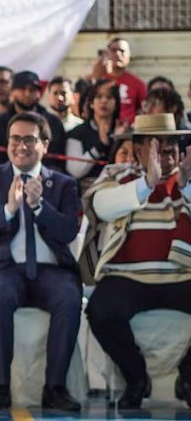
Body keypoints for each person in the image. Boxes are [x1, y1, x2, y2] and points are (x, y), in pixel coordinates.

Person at [0, 112, 82, 412]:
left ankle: (55, 388)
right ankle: (0, 387)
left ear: (44, 144)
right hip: (0, 268)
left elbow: (69, 231)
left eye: (30, 139)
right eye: (16, 138)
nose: (21, 146)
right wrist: (8, 209)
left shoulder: (64, 183)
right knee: (0, 296)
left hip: (50, 271)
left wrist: (39, 207)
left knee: (69, 296)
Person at [81, 113, 191, 410]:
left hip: (183, 276)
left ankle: (189, 377)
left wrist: (187, 187)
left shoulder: (189, 176)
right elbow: (100, 207)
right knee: (100, 311)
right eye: (159, 143)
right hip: (128, 279)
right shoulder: (117, 175)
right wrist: (147, 182)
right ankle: (136, 379)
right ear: (139, 148)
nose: (168, 150)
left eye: (173, 142)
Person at [0, 71, 67, 171]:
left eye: (32, 90)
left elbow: (59, 159)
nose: (27, 93)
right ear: (12, 91)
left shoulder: (54, 123)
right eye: (22, 89)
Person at [65, 79, 121, 187]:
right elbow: (75, 171)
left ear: (116, 104)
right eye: (99, 97)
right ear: (91, 103)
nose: (104, 101)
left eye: (109, 97)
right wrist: (100, 146)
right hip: (86, 193)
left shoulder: (124, 132)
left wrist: (118, 140)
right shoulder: (77, 133)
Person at [102, 38, 146, 125]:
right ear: (108, 54)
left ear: (129, 55)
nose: (118, 54)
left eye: (122, 51)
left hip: (129, 132)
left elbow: (144, 110)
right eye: (113, 50)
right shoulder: (100, 81)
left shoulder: (138, 84)